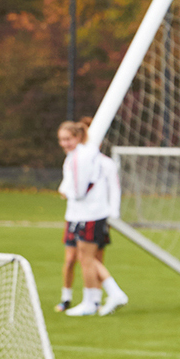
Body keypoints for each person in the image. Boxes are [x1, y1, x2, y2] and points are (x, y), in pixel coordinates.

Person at [56, 119, 129, 317]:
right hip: (76, 215)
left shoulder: (99, 161)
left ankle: (101, 298)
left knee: (88, 259)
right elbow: (68, 185)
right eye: (61, 139)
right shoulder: (73, 158)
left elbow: (108, 189)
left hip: (92, 215)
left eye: (68, 139)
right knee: (77, 258)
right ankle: (89, 299)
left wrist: (113, 214)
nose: (64, 143)